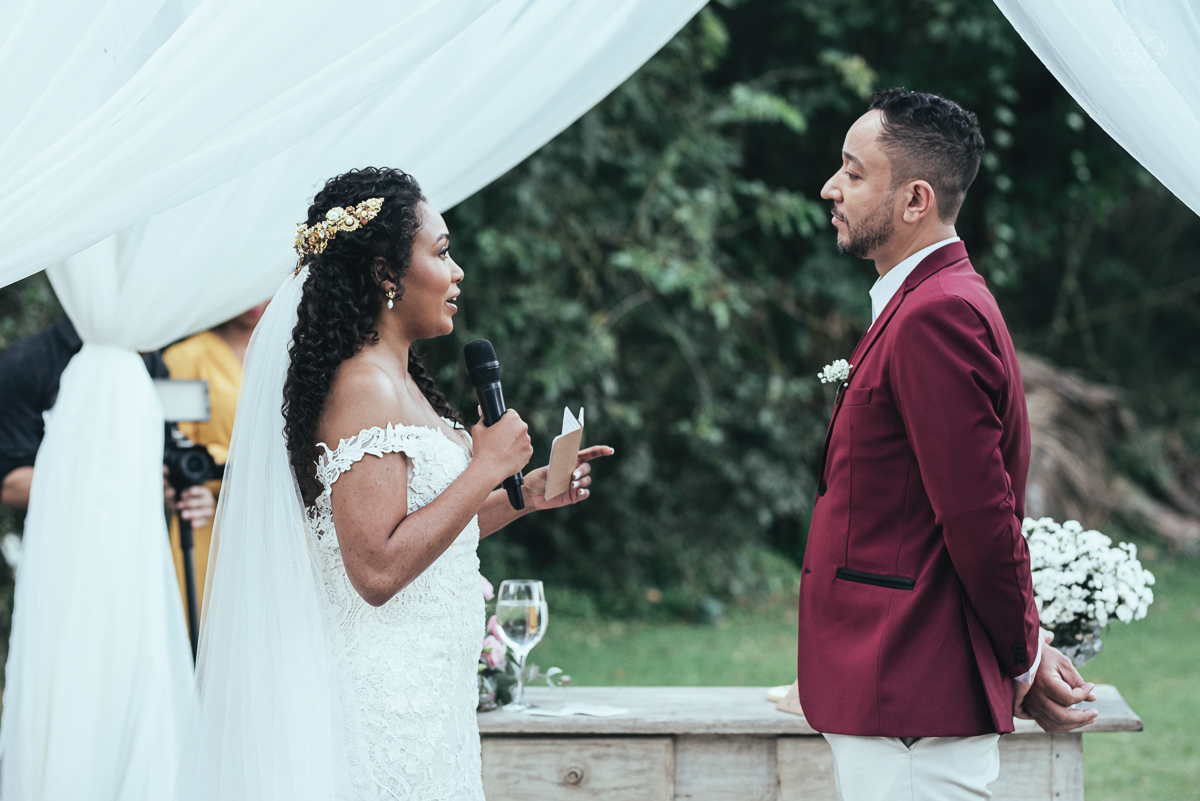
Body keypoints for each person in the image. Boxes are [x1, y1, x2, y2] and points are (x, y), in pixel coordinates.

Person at [177, 167, 612, 801]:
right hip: (382, 703)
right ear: (386, 274)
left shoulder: (401, 380)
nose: (458, 270)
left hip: (430, 695)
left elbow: (424, 524)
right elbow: (377, 567)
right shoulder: (364, 387)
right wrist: (489, 466)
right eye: (441, 252)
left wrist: (523, 497)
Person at [796, 88, 1097, 801]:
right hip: (895, 690)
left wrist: (1022, 656)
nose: (830, 188)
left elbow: (978, 517)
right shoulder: (924, 301)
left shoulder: (938, 314)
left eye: (854, 171)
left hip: (909, 688)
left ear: (915, 199)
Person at [0, 315, 214, 528]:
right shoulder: (28, 361)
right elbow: (11, 484)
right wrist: (121, 484)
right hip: (61, 538)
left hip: (138, 537)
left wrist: (184, 492)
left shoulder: (150, 361)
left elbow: (164, 455)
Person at [162, 302, 266, 621]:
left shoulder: (295, 350)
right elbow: (171, 452)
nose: (257, 299)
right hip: (207, 516)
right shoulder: (184, 357)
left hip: (276, 517)